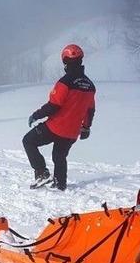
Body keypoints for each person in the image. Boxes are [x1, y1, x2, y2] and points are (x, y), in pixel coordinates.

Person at [23, 44, 95, 191]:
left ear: (64, 61)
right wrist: (86, 128)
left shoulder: (65, 82)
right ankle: (60, 184)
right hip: (72, 132)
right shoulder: (90, 86)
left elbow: (53, 106)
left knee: (28, 141)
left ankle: (42, 173)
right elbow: (90, 110)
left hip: (55, 127)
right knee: (59, 156)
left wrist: (36, 115)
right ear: (81, 60)